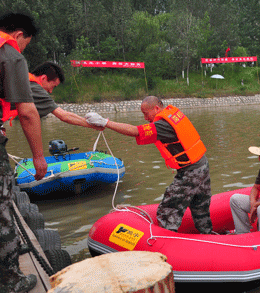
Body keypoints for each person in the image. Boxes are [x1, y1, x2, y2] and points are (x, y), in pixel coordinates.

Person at [85, 96, 213, 234]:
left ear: (156, 108)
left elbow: (135, 131)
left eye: (146, 113)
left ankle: (167, 243)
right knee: (200, 206)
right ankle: (208, 233)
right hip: (202, 165)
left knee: (167, 211)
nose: (145, 118)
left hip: (191, 172)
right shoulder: (173, 114)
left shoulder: (164, 124)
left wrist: (105, 122)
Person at [0, 12, 47, 293]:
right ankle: (11, 280)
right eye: (25, 44)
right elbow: (28, 113)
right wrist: (39, 157)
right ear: (19, 35)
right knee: (3, 212)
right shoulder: (8, 52)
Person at [2, 61, 99, 129]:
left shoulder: (22, 79)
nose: (51, 91)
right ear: (44, 78)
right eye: (53, 86)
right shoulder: (35, 88)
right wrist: (93, 125)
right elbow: (64, 116)